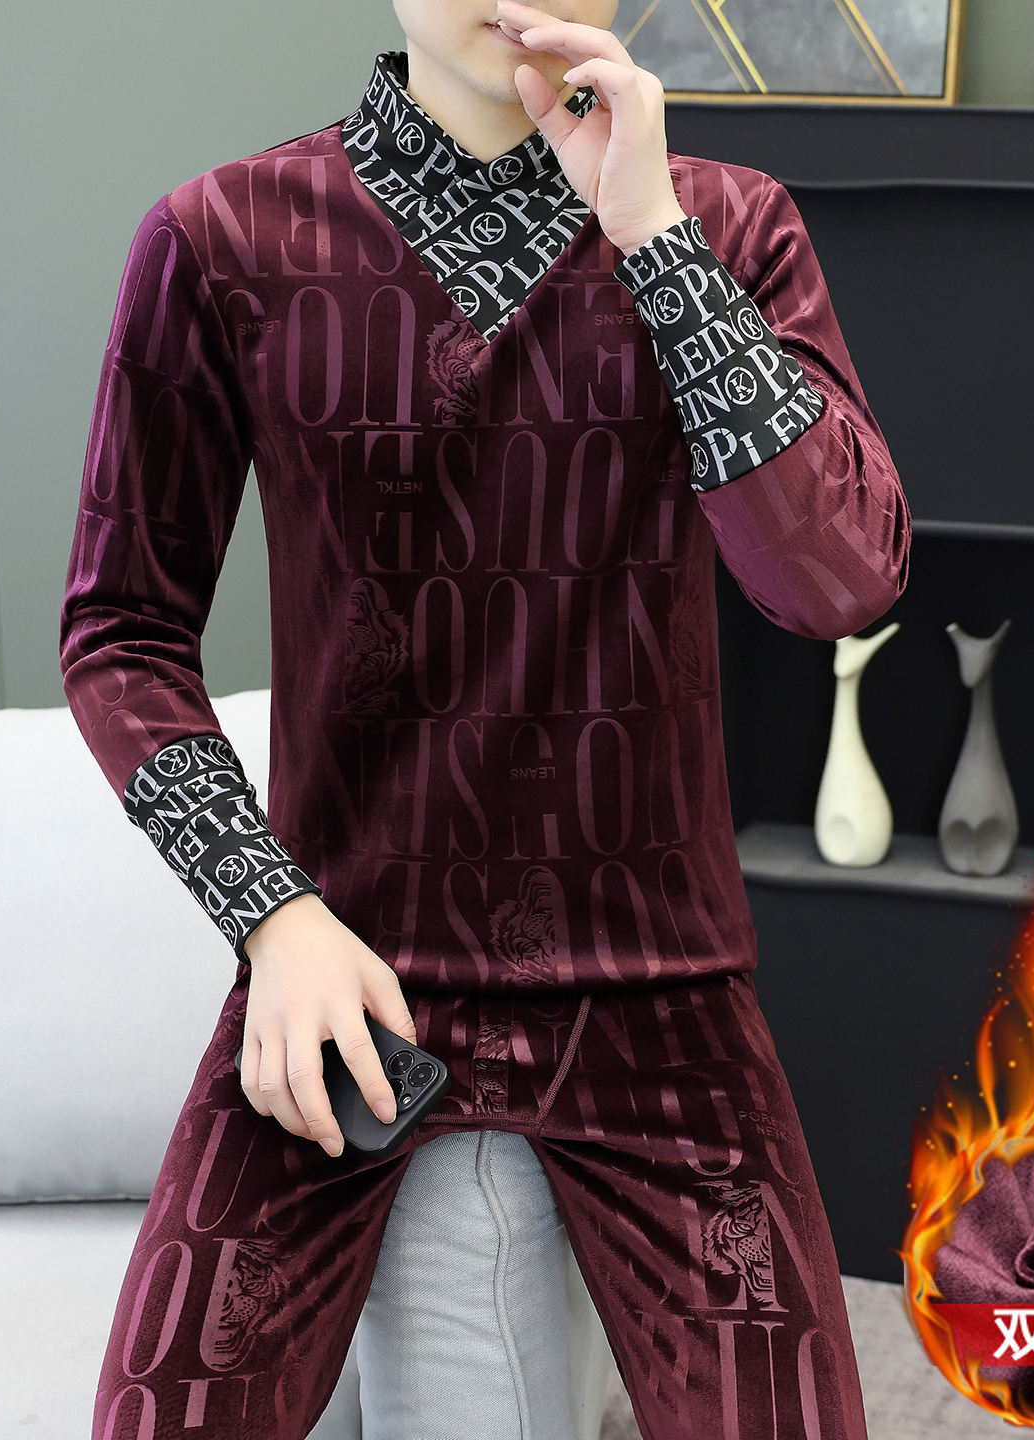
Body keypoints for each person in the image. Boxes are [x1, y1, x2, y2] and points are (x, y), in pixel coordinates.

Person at [60, 2, 909, 1436]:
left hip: (660, 990)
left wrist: (649, 234)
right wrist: (271, 918)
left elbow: (840, 581)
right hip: (349, 975)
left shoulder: (730, 225)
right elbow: (121, 632)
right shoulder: (222, 240)